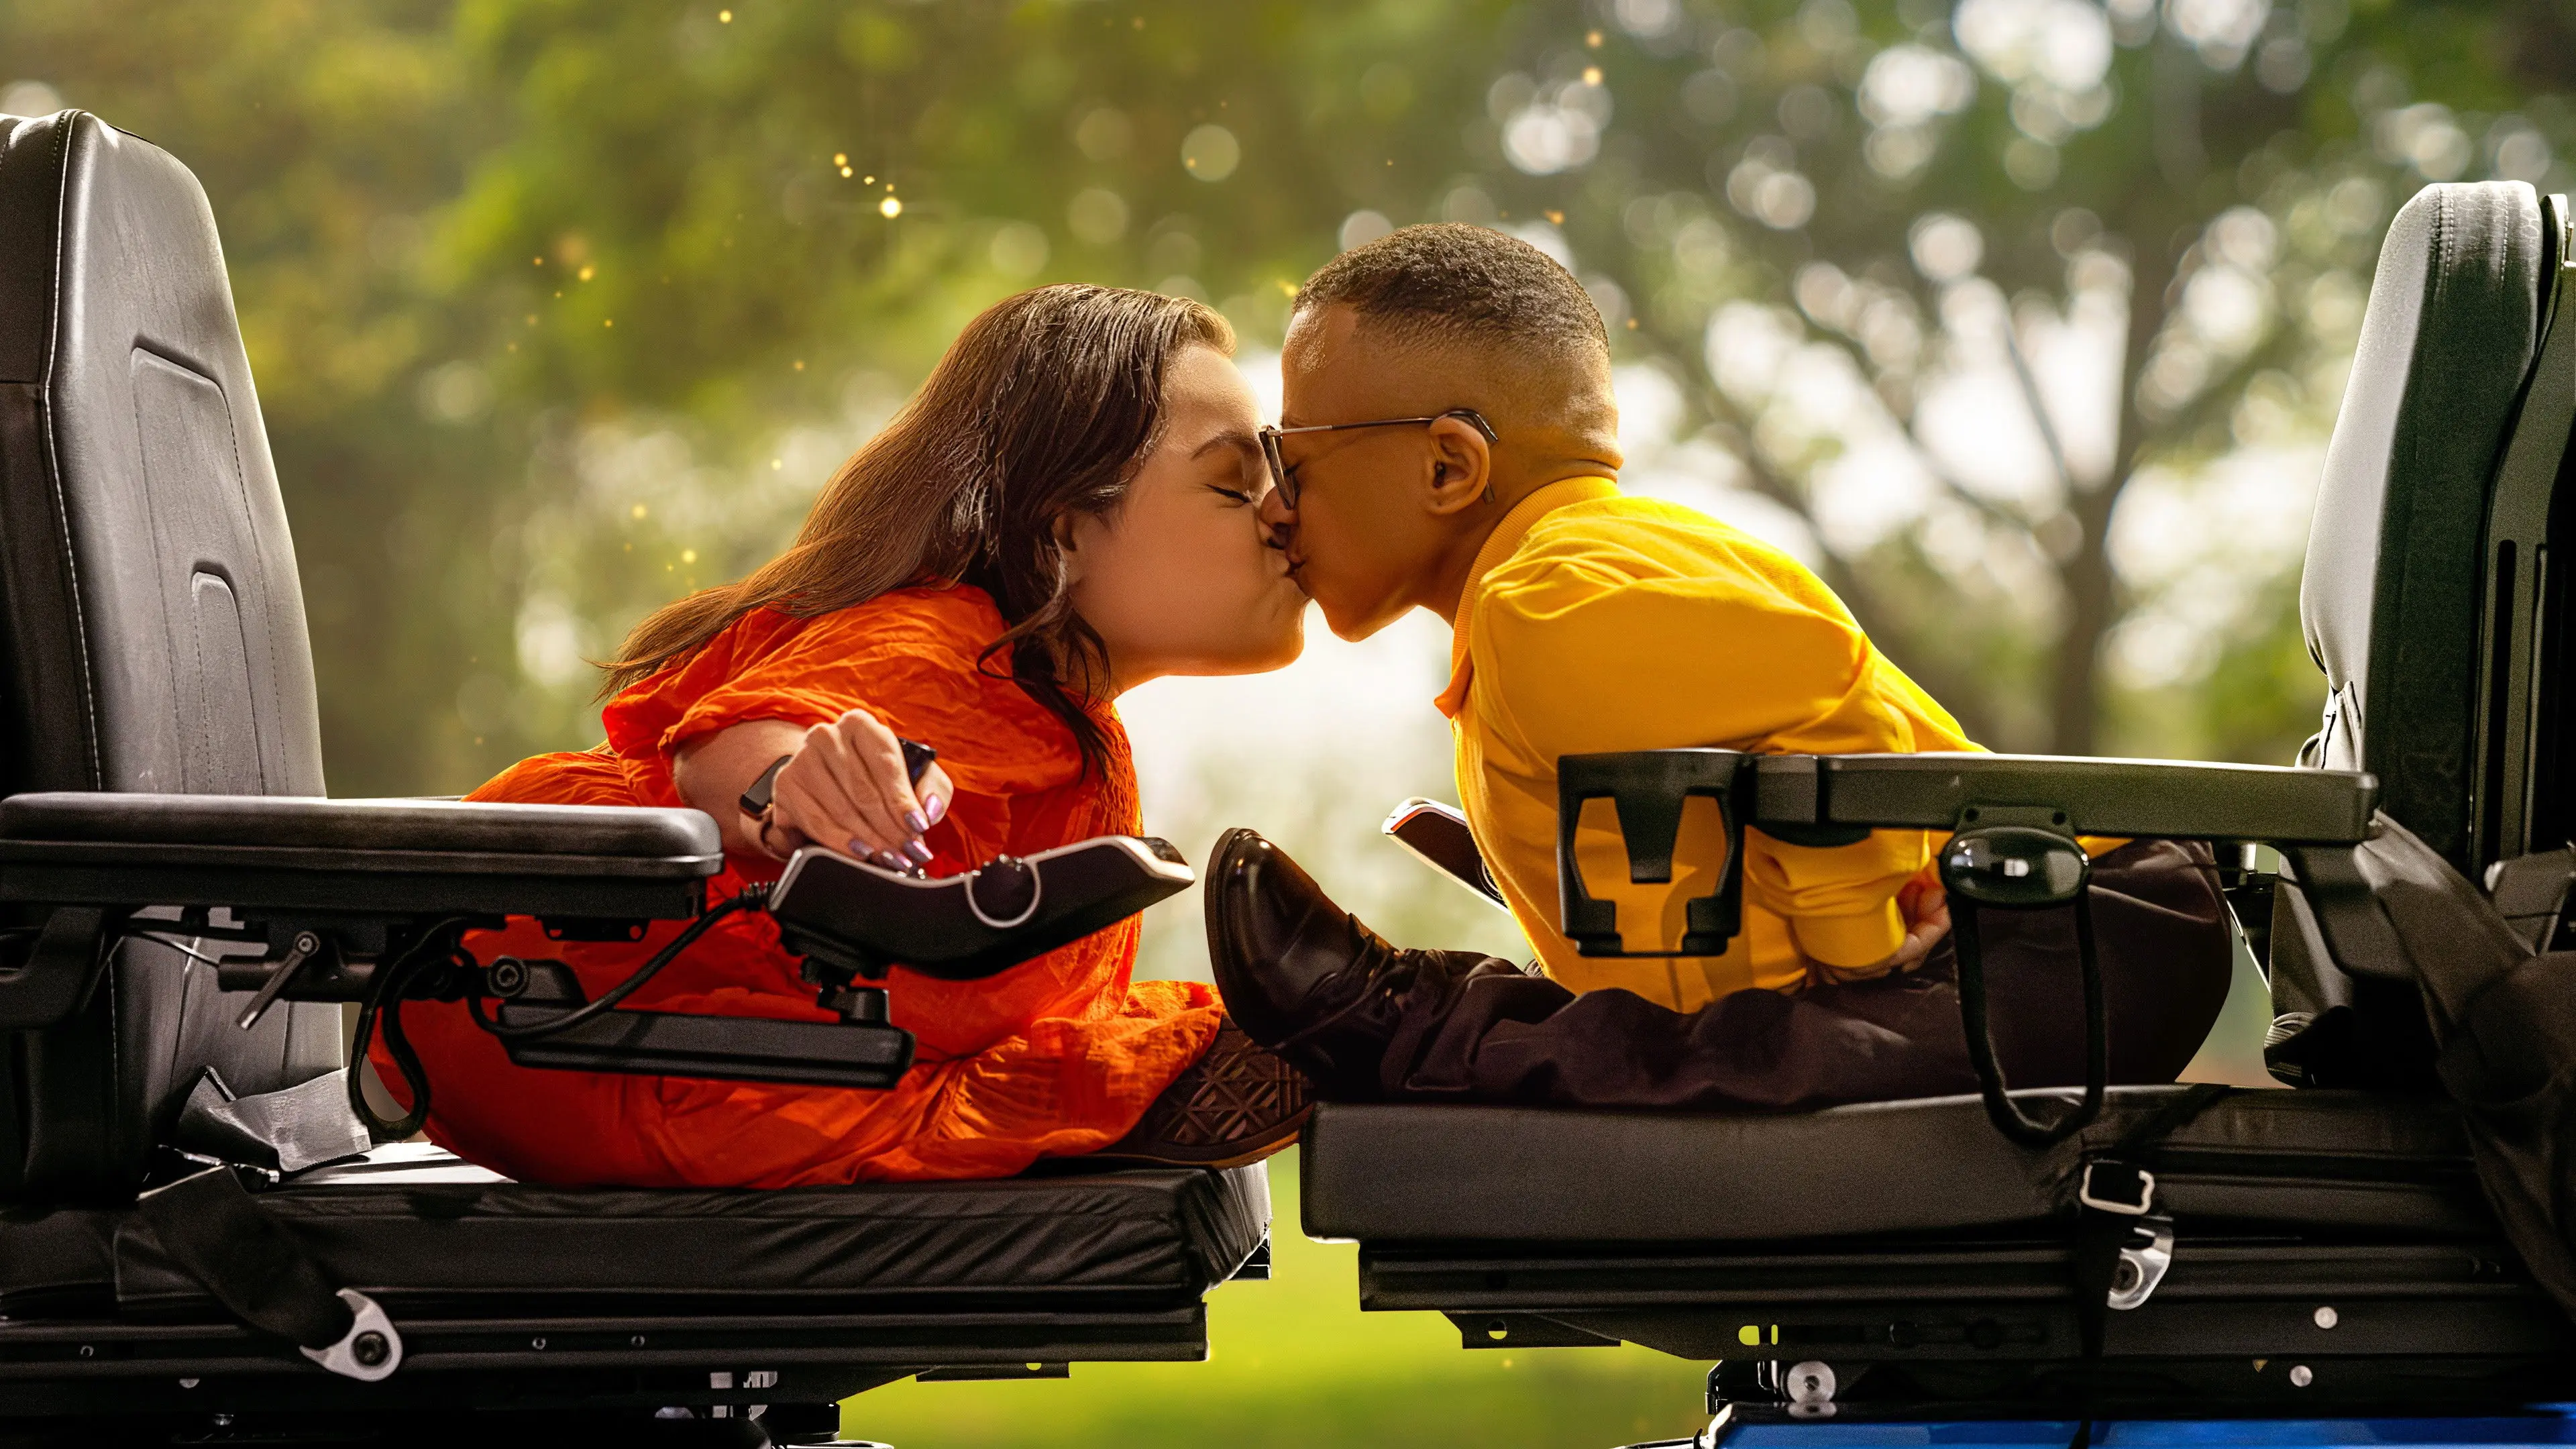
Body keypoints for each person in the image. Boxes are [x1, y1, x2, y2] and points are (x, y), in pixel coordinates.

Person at [1204, 224, 2234, 1110]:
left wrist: (1857, 948)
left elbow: (1823, 693)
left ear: (1446, 466)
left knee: (1721, 1063)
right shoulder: (1583, 566)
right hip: (2052, 923)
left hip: (2056, 941)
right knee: (1703, 1042)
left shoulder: (1547, 603)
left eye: (1291, 459)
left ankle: (1410, 1024)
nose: (1276, 506)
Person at [380, 284, 1314, 1187]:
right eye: (1235, 484)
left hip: (672, 1040)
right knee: (1127, 1065)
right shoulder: (952, 643)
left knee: (1121, 1053)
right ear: (1064, 530)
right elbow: (741, 749)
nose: (1285, 514)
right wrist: (791, 792)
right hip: (564, 1024)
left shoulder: (1066, 712)